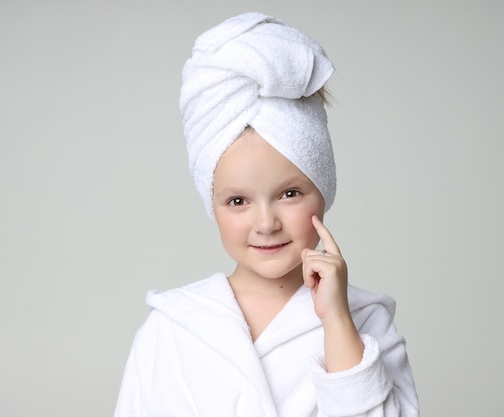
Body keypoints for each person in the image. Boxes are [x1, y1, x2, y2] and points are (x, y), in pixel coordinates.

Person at [114, 12, 419, 417]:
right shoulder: (171, 330)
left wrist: (337, 322)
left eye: (289, 193)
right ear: (212, 204)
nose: (265, 223)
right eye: (238, 201)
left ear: (323, 192)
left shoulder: (364, 323)